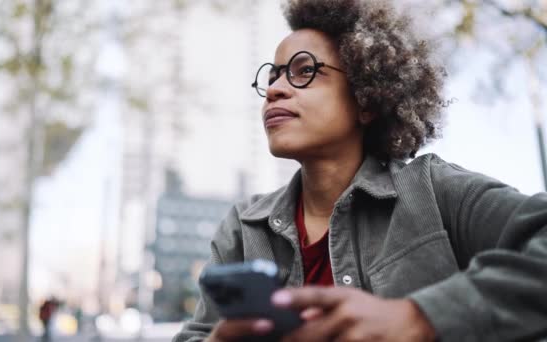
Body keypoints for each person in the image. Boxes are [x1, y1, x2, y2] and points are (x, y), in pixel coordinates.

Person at [173, 0, 547, 341]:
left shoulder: (433, 190)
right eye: (273, 77)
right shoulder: (243, 226)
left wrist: (422, 317)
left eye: (304, 71)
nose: (275, 90)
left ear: (367, 99)